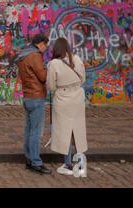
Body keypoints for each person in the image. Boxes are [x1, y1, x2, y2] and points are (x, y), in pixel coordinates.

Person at [46, 37, 88, 177]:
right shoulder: (77, 59)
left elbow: (51, 86)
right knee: (78, 129)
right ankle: (80, 163)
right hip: (77, 97)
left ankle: (68, 163)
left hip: (62, 98)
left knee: (64, 131)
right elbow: (83, 79)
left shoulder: (53, 64)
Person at [15, 34, 51, 174]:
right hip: (36, 97)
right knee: (36, 132)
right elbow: (42, 77)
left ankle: (29, 159)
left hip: (28, 96)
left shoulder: (24, 55)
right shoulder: (35, 56)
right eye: (45, 45)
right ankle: (36, 162)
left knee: (29, 130)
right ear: (40, 43)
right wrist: (47, 68)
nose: (46, 48)